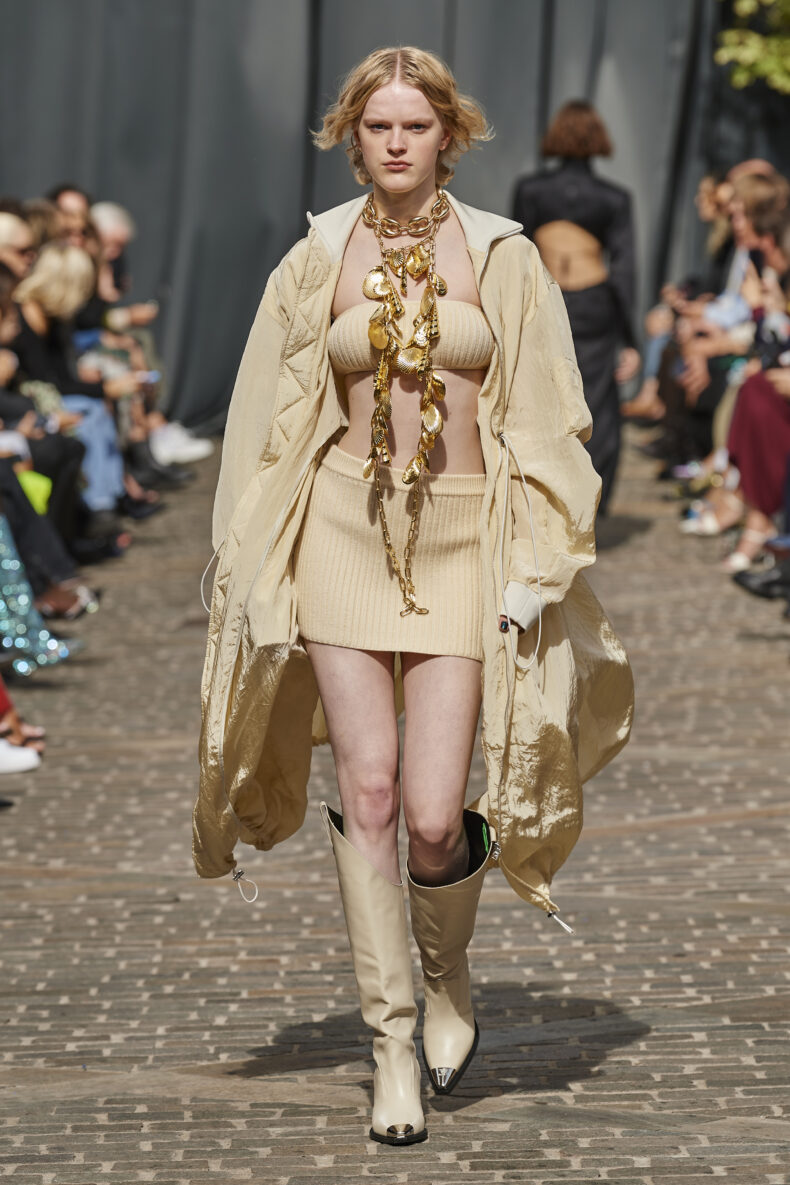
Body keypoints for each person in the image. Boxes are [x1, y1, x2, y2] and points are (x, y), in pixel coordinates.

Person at [194, 47, 633, 1147]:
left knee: (437, 819)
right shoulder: (315, 257)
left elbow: (549, 410)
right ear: (353, 136)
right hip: (342, 532)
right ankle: (389, 1045)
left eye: (415, 125)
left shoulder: (502, 254)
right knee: (374, 792)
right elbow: (262, 417)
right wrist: (249, 565)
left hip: (464, 539)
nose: (396, 143)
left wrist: (539, 561)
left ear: (449, 134)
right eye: (378, 126)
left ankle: (445, 977)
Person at [512, 100, 640, 513]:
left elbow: (517, 257)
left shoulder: (531, 190)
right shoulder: (613, 198)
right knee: (597, 398)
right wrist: (631, 338)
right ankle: (592, 501)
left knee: (541, 393)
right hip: (594, 302)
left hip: (544, 300)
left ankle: (544, 495)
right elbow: (623, 269)